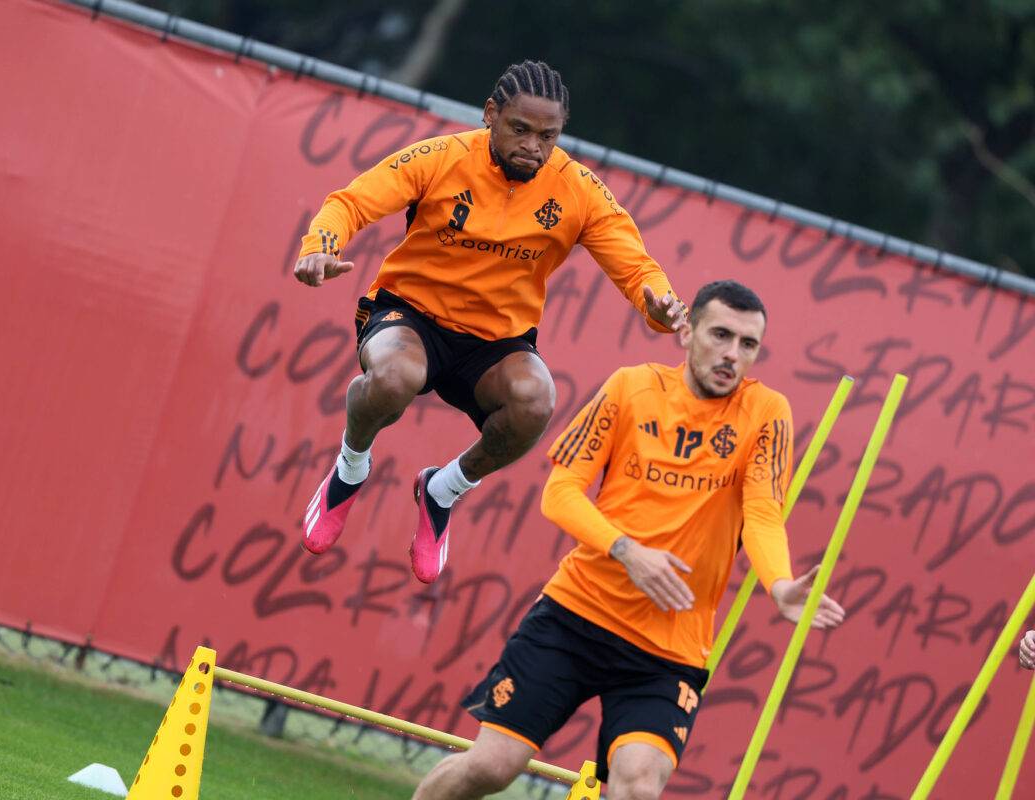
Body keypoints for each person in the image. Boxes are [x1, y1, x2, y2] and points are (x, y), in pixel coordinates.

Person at [411, 280, 847, 800]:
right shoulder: (631, 387)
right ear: (687, 333)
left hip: (668, 650)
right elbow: (560, 493)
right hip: (574, 617)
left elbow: (762, 513)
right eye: (721, 335)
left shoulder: (767, 412)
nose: (733, 354)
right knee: (490, 767)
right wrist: (627, 551)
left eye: (748, 344)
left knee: (637, 786)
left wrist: (779, 585)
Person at [295, 60, 687, 583]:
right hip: (411, 315)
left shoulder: (578, 188)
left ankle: (442, 490)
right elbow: (350, 203)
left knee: (536, 401)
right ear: (490, 115)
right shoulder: (442, 157)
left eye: (548, 136)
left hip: (495, 342)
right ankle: (350, 469)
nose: (533, 147)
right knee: (394, 378)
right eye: (520, 129)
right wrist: (321, 246)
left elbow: (638, 268)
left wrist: (659, 305)